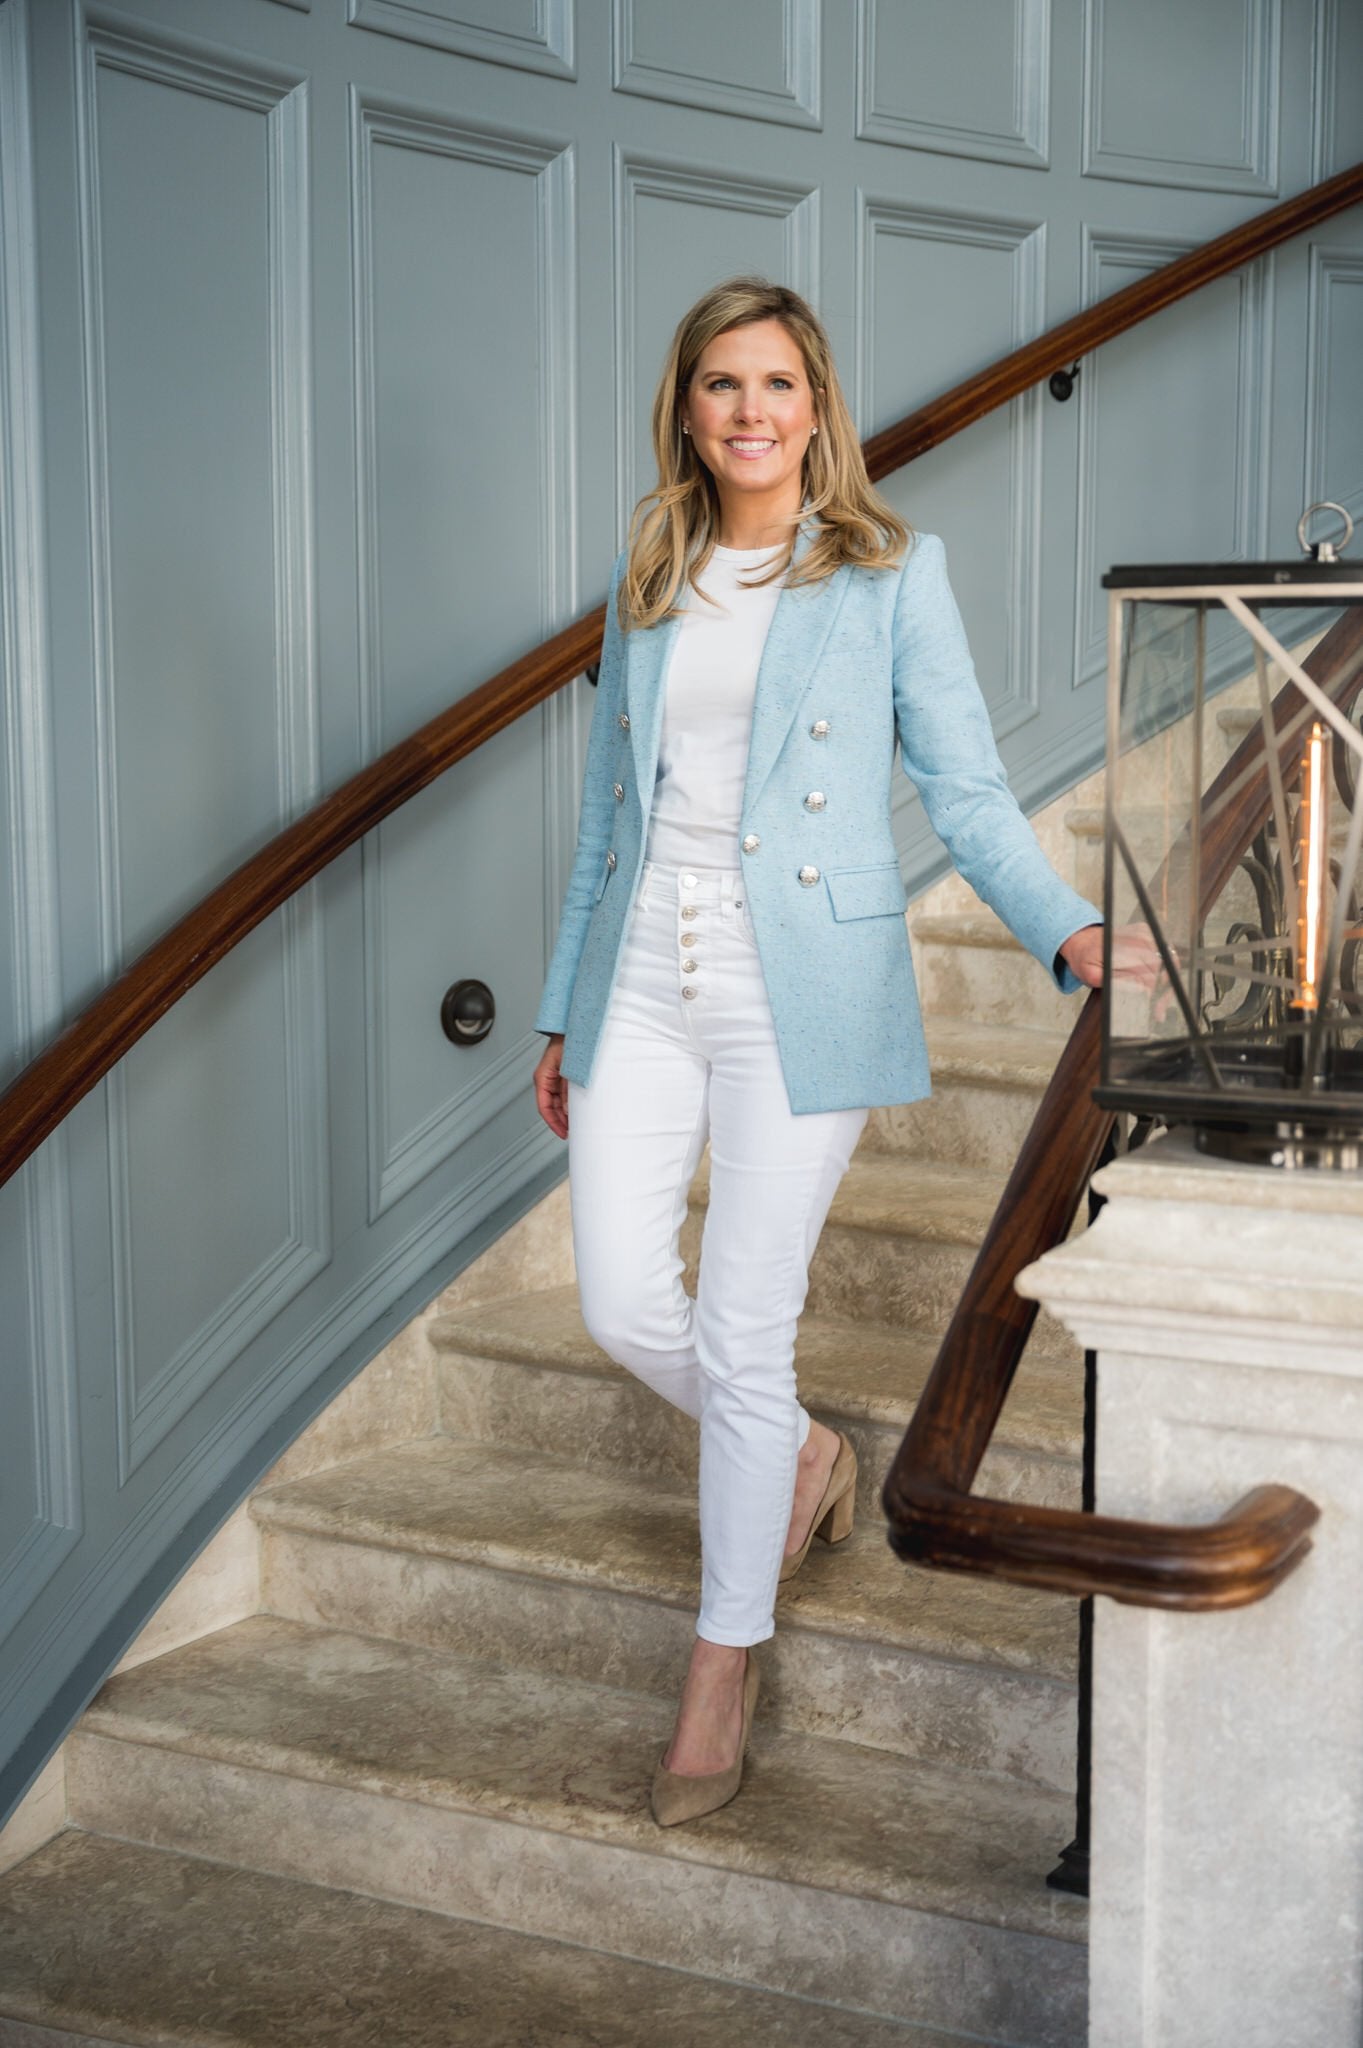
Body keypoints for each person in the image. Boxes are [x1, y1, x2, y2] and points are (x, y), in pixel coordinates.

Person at [531, 276, 1104, 1829]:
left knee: (740, 1325)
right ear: (689, 407)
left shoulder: (887, 573)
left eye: (776, 384)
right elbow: (606, 817)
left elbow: (972, 792)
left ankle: (721, 1662)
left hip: (806, 984)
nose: (750, 413)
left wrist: (1070, 930)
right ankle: (800, 1457)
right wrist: (561, 1008)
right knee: (617, 1298)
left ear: (818, 405)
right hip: (647, 970)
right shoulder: (650, 568)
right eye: (721, 385)